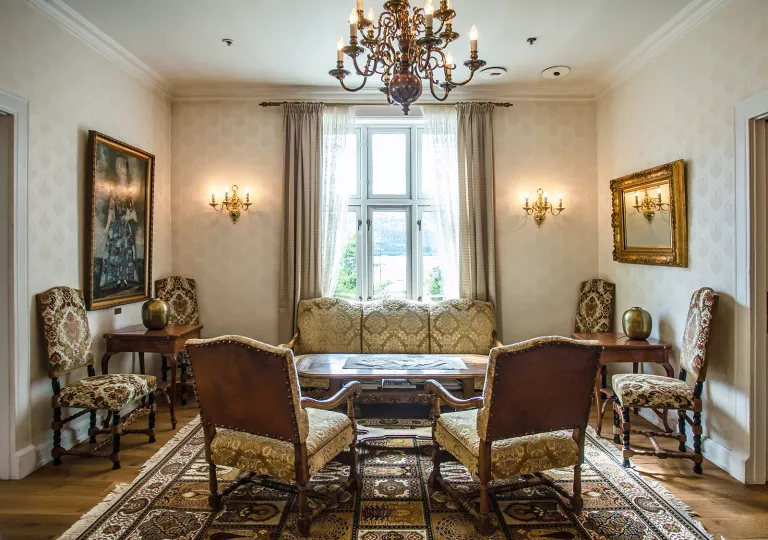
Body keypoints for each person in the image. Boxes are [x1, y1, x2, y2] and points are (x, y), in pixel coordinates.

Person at [102, 156, 137, 289]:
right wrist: (106, 228)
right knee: (116, 251)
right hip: (116, 226)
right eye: (122, 174)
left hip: (125, 226)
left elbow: (132, 210)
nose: (123, 177)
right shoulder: (114, 190)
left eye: (125, 174)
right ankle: (117, 279)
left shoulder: (128, 192)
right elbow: (111, 211)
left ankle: (126, 278)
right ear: (118, 173)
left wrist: (128, 217)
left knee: (126, 251)